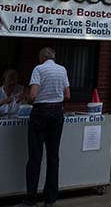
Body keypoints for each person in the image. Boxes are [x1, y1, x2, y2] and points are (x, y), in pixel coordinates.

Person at [19, 47, 70, 207]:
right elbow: (67, 95)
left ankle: (30, 199)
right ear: (53, 57)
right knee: (53, 156)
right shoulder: (62, 69)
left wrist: (27, 99)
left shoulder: (38, 69)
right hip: (57, 112)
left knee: (35, 157)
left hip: (41, 112)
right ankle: (50, 199)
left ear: (41, 57)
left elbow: (33, 95)